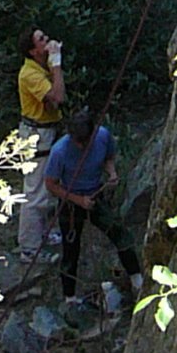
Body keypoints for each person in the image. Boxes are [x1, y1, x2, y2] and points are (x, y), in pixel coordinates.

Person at [44, 107, 143, 305]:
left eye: (84, 142)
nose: (80, 146)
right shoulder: (60, 151)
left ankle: (137, 279)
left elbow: (108, 157)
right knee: (71, 250)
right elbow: (51, 184)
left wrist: (111, 172)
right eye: (77, 141)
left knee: (119, 233)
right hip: (71, 202)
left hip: (95, 193)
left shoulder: (103, 136)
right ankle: (70, 298)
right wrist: (78, 200)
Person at [17, 26, 65, 260]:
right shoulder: (31, 74)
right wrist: (56, 64)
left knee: (49, 184)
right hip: (37, 136)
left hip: (47, 131)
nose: (47, 40)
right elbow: (58, 97)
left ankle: (45, 232)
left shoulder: (40, 67)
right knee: (35, 190)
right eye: (42, 39)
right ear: (33, 50)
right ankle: (28, 247)